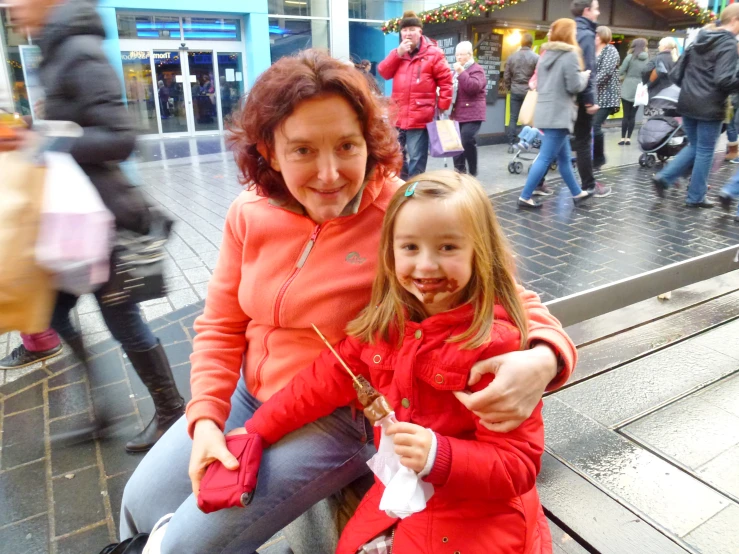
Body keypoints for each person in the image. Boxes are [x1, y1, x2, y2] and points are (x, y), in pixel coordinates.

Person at [120, 49, 576, 554]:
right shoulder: (247, 212)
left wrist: (545, 357)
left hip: (338, 414)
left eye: (346, 146)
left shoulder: (404, 215)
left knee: (185, 545)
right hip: (246, 396)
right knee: (139, 500)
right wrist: (206, 417)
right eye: (302, 151)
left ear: (370, 144)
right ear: (270, 151)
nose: (330, 173)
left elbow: (509, 294)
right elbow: (221, 323)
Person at [239, 170, 554, 553]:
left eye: (448, 248)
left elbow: (516, 466)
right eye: (410, 248)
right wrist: (257, 429)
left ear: (480, 252)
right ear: (389, 254)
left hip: (480, 511)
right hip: (403, 494)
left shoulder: (494, 347)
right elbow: (322, 381)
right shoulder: (383, 326)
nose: (425, 266)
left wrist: (440, 455)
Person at [8, 0, 185, 452]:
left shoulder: (79, 49)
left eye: (19, 0)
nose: (10, 8)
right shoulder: (54, 48)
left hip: (100, 220)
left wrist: (48, 140)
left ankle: (171, 410)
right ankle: (102, 412)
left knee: (122, 318)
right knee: (52, 313)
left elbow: (120, 136)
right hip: (69, 221)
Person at [653, 5, 739, 207]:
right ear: (735, 19)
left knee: (696, 147)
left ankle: (665, 178)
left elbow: (676, 74)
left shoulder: (700, 39)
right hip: (710, 106)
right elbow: (724, 80)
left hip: (687, 101)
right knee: (705, 150)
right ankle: (694, 196)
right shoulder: (727, 45)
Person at [517, 19, 595, 209]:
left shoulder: (545, 55)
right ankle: (525, 196)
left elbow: (541, 83)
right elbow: (574, 85)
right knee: (544, 158)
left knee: (564, 159)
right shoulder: (569, 55)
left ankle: (577, 193)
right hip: (560, 114)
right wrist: (585, 76)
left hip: (545, 111)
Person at [378, 11, 453, 179]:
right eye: (405, 30)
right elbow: (383, 71)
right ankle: (402, 186)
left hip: (420, 116)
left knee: (417, 158)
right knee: (397, 155)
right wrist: (397, 54)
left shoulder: (433, 53)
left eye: (412, 29)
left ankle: (413, 190)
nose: (408, 33)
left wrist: (442, 106)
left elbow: (446, 81)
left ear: (420, 31)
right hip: (397, 114)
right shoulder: (398, 53)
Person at [571, 0, 611, 197]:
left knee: (558, 141)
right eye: (595, 8)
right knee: (583, 141)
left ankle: (537, 183)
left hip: (566, 96)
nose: (598, 12)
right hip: (579, 98)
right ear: (587, 10)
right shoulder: (586, 35)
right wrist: (589, 101)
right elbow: (587, 69)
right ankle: (588, 184)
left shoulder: (569, 31)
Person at [449, 41, 487, 176]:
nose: (458, 57)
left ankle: (472, 171)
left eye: (461, 54)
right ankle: (459, 173)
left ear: (470, 54)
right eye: (456, 55)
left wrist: (461, 71)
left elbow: (473, 87)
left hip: (472, 112)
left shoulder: (477, 69)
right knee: (455, 144)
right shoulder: (454, 72)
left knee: (467, 139)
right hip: (456, 112)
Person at [593, 25, 621, 169]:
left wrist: (587, 85)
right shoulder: (593, 51)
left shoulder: (610, 51)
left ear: (603, 36)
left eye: (596, 35)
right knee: (590, 126)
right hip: (594, 95)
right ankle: (592, 156)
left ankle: (598, 158)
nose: (594, 38)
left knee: (595, 125)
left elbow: (605, 73)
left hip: (607, 95)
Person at [504, 32, 539, 145]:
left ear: (521, 43)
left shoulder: (511, 57)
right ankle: (524, 141)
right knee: (526, 118)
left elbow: (506, 76)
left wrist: (509, 88)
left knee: (513, 117)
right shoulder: (536, 57)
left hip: (515, 90)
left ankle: (511, 142)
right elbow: (539, 75)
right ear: (531, 44)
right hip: (529, 92)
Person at [618, 38, 649, 146]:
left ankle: (622, 138)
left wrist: (621, 76)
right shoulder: (647, 59)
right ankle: (629, 139)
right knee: (633, 116)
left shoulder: (630, 57)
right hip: (640, 89)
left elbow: (621, 71)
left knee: (625, 115)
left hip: (627, 87)